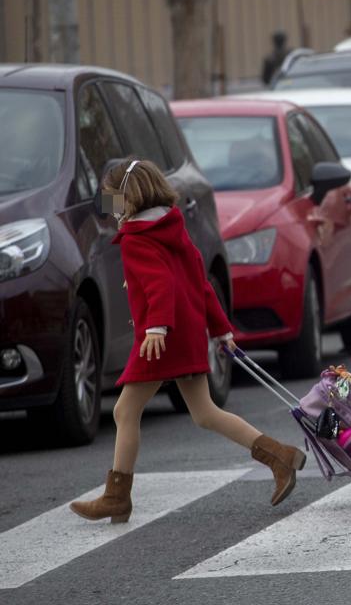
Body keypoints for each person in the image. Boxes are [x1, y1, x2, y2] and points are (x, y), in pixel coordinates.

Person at [70, 159, 306, 524]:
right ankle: (279, 456)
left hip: (160, 340)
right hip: (186, 334)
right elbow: (201, 285)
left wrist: (156, 328)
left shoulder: (137, 239)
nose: (108, 207)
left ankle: (117, 497)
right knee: (205, 413)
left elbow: (160, 285)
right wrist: (221, 329)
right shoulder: (174, 230)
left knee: (124, 411)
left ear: (128, 198)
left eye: (111, 198)